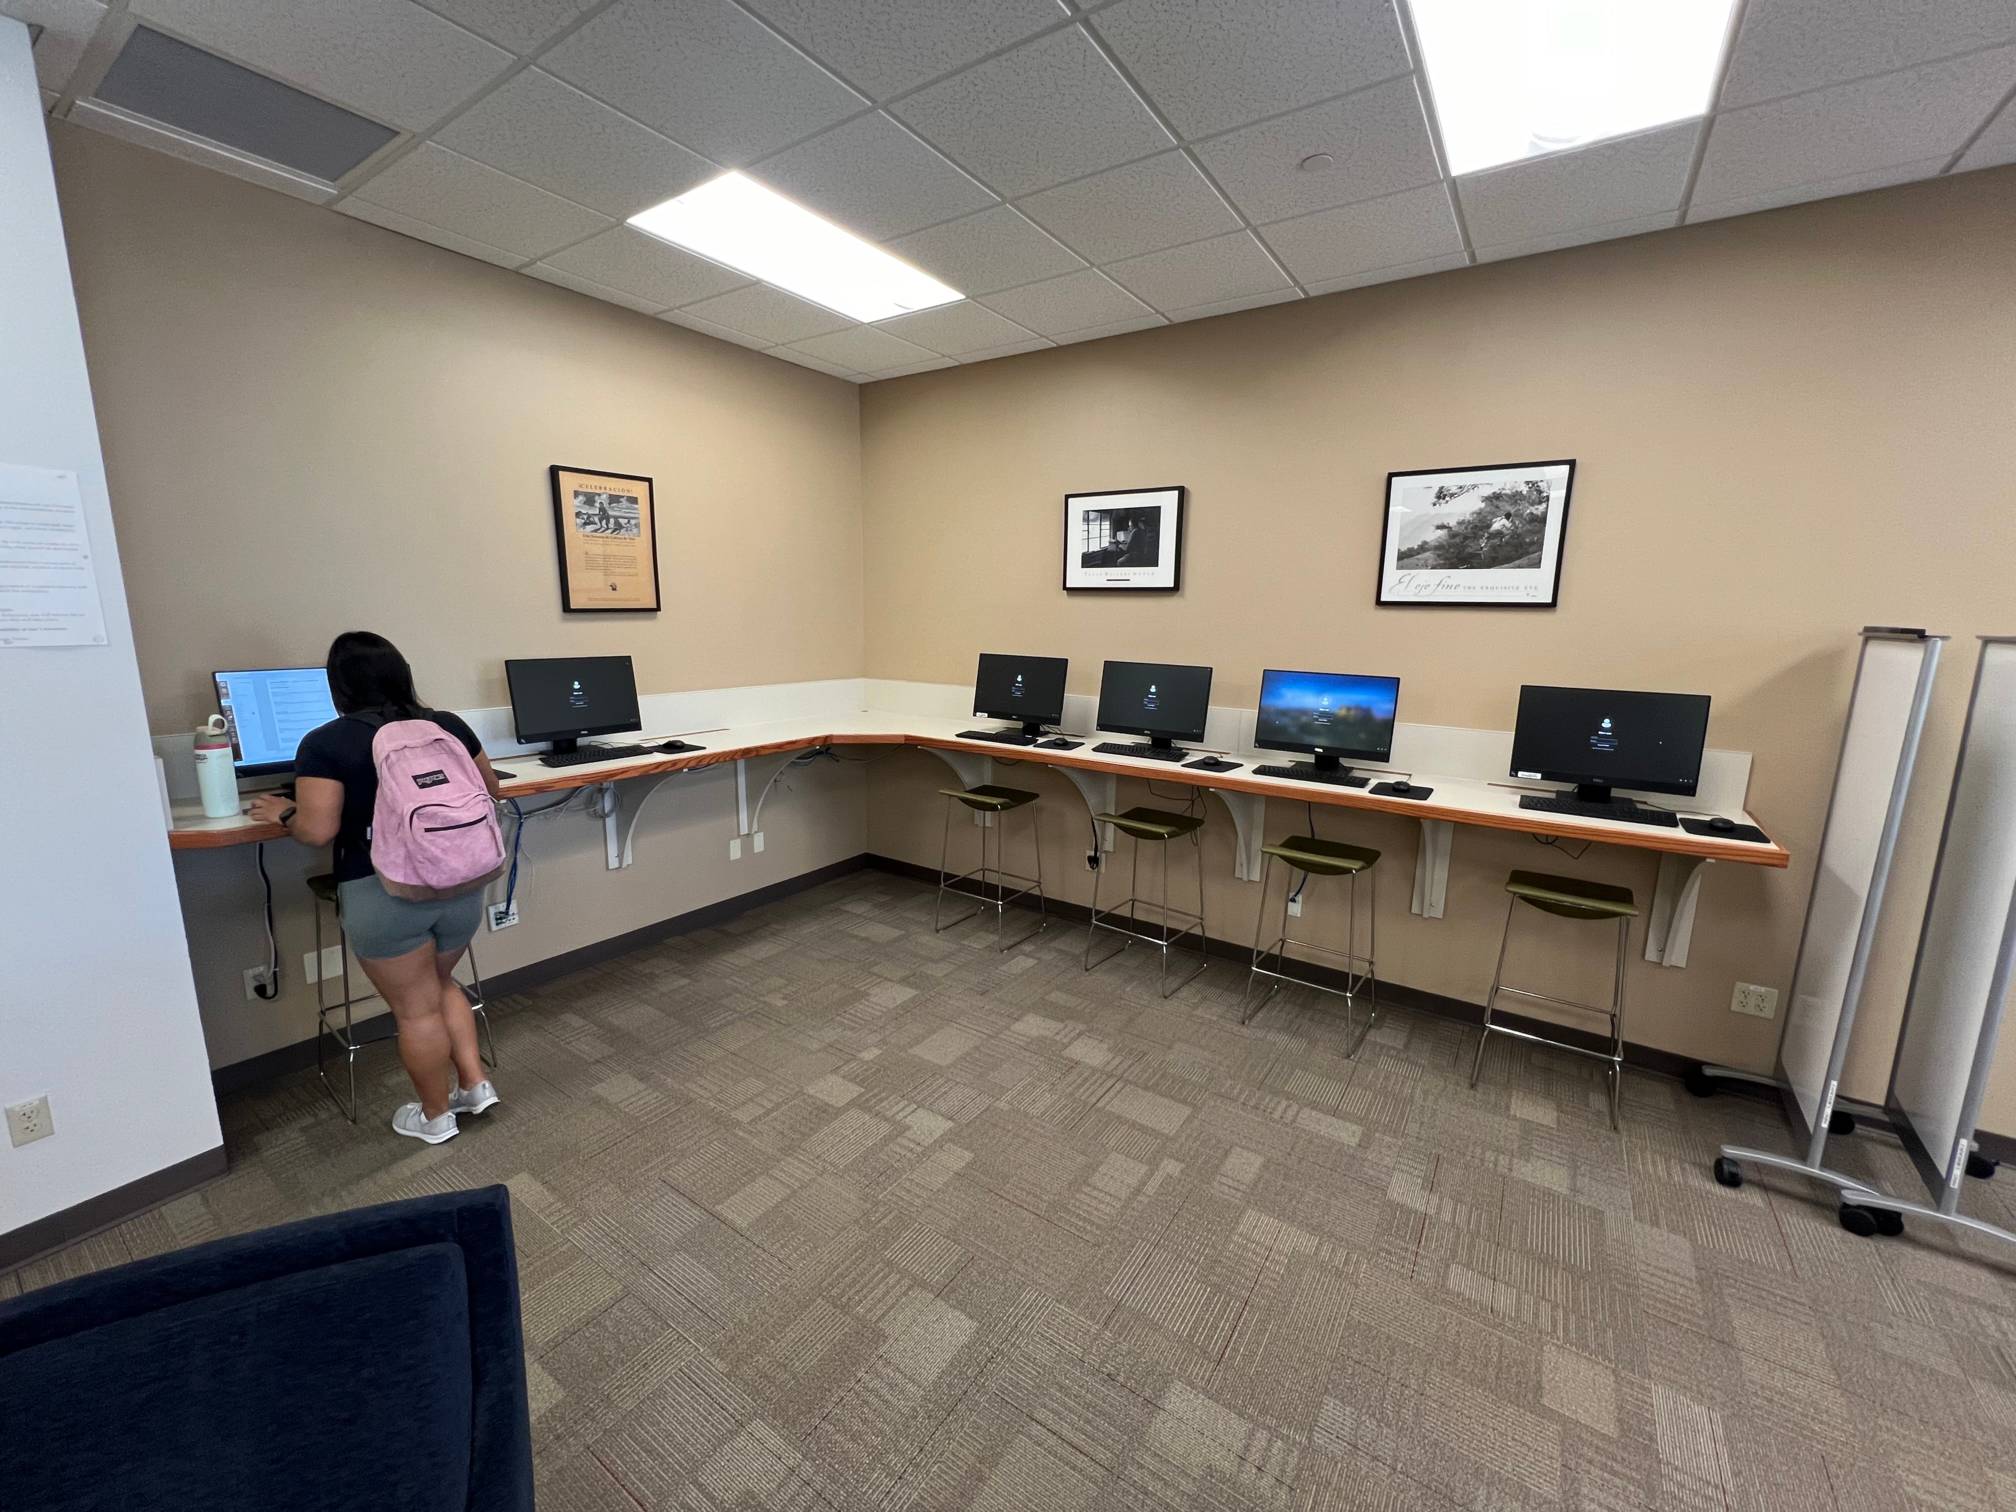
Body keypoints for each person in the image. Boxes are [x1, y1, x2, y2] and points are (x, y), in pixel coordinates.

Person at [249, 632, 505, 1144]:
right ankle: (474, 1085)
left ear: (336, 687)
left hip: (386, 894)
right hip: (460, 884)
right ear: (402, 673)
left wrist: (284, 812)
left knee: (415, 1007)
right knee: (440, 986)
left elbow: (318, 831)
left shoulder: (327, 742)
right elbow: (491, 789)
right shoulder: (446, 725)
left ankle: (434, 1118)